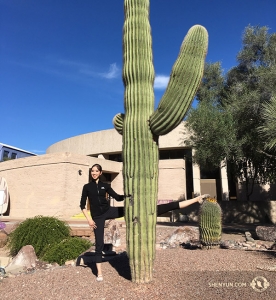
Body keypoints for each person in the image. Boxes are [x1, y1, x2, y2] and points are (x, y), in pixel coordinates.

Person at [80, 163, 209, 282]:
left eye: (96, 171)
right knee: (99, 244)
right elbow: (82, 205)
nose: (94, 173)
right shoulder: (87, 187)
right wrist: (89, 220)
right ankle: (100, 273)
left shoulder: (105, 186)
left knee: (138, 210)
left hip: (109, 211)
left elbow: (118, 197)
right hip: (97, 217)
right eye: (92, 171)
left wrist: (130, 195)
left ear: (100, 172)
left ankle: (196, 199)